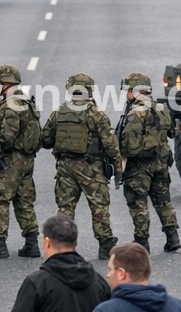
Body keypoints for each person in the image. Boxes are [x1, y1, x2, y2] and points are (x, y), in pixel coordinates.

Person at [40, 73, 121, 259]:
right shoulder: (97, 114)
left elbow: (45, 139)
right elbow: (110, 144)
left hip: (65, 167)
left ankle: (60, 245)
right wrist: (117, 166)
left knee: (65, 207)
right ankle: (105, 245)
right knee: (99, 206)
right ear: (90, 91)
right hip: (90, 168)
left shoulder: (59, 112)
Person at [0, 64, 41, 259]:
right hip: (27, 159)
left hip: (11, 160)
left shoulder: (10, 105)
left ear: (5, 83)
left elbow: (7, 137)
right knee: (24, 200)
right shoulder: (25, 100)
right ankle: (32, 243)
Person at [116, 72, 180, 253]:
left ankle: (142, 241)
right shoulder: (162, 108)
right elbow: (172, 133)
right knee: (163, 200)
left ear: (136, 91)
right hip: (161, 163)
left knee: (138, 203)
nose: (127, 94)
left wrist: (120, 156)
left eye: (128, 90)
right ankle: (173, 237)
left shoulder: (135, 113)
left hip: (140, 167)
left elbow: (130, 146)